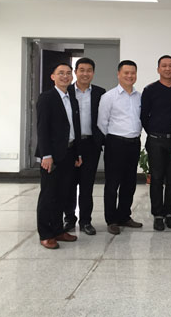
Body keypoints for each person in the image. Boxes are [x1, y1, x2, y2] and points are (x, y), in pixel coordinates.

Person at [35, 62, 82, 249]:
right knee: (48, 195)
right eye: (61, 73)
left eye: (68, 73)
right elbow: (42, 129)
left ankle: (58, 230)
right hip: (52, 156)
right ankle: (46, 234)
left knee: (63, 194)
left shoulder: (72, 98)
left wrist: (77, 153)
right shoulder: (46, 98)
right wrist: (46, 155)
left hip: (69, 153)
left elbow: (75, 128)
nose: (65, 76)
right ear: (52, 76)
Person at [141, 55, 171, 231]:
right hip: (156, 141)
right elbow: (144, 116)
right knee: (157, 178)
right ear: (158, 69)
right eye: (164, 66)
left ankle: (169, 213)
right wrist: (154, 132)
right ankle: (158, 215)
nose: (168, 69)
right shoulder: (150, 89)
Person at [98, 60, 143, 235]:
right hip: (115, 144)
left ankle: (124, 215)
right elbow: (102, 123)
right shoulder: (109, 97)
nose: (130, 76)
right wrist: (113, 139)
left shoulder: (139, 97)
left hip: (134, 143)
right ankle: (111, 220)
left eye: (133, 73)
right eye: (126, 73)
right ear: (118, 74)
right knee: (112, 183)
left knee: (129, 183)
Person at [64, 58, 106, 236]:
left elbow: (104, 117)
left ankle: (86, 221)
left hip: (90, 144)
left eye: (89, 70)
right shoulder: (66, 91)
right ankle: (69, 219)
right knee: (69, 183)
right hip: (70, 144)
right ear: (75, 72)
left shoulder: (100, 93)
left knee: (87, 185)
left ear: (93, 73)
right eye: (81, 70)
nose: (85, 73)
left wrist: (100, 140)